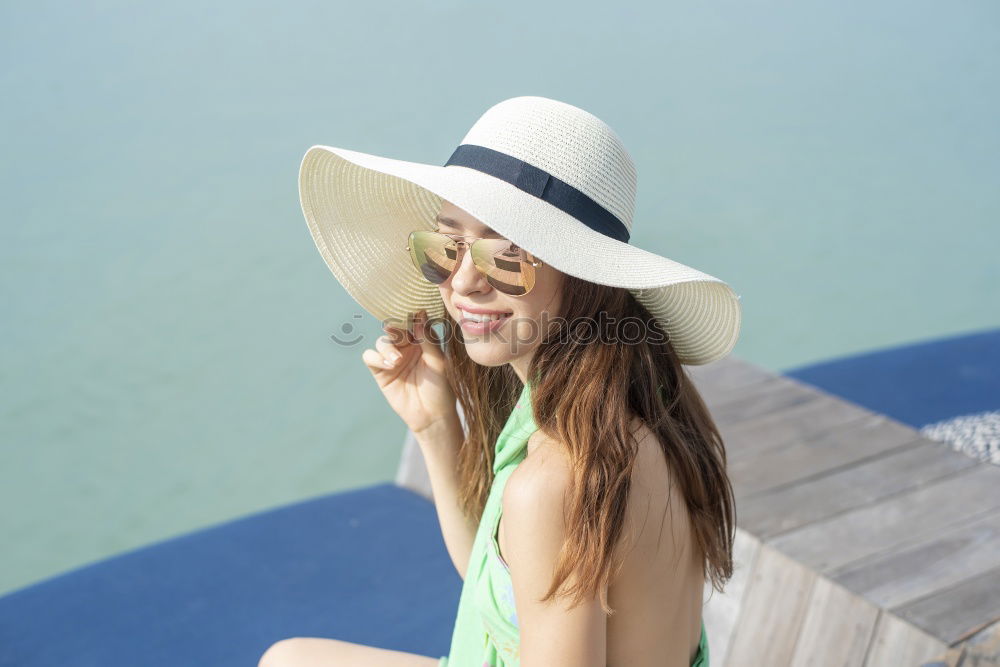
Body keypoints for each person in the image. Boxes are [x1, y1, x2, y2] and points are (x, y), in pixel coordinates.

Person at [260, 96, 740, 666]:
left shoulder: (555, 478)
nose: (462, 282)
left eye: (505, 257)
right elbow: (505, 589)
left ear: (587, 277)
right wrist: (438, 427)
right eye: (446, 247)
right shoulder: (640, 405)